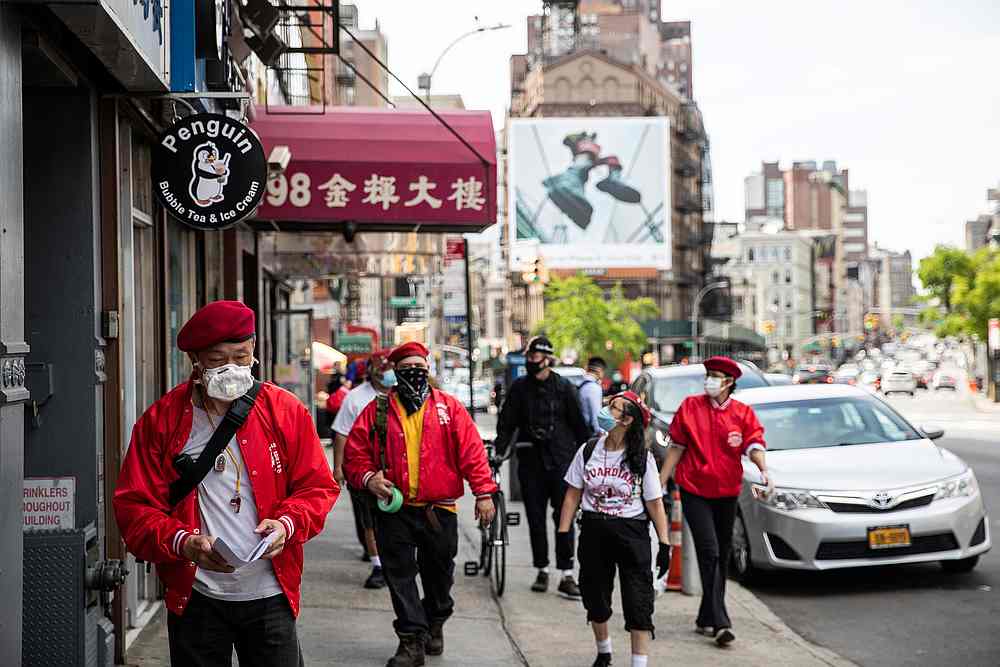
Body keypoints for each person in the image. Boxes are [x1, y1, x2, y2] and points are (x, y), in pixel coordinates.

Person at [113, 300, 339, 666]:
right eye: (218, 360)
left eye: (241, 356)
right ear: (196, 363)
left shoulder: (285, 410)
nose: (232, 368)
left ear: (254, 352)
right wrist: (182, 542)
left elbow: (318, 488)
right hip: (195, 595)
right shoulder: (162, 421)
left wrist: (287, 524)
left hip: (271, 594)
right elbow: (133, 507)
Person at [344, 342, 497, 667]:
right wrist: (369, 478)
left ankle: (435, 620)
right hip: (394, 509)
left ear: (428, 372)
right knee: (399, 575)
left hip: (438, 510)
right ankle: (412, 641)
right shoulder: (378, 410)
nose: (415, 374)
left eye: (420, 368)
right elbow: (354, 455)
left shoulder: (450, 408)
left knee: (439, 574)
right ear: (396, 373)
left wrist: (483, 493)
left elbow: (472, 453)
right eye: (407, 368)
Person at [658, 356, 769, 647]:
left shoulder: (742, 413)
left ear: (730, 382)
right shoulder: (690, 407)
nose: (710, 380)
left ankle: (706, 615)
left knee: (721, 552)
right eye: (708, 374)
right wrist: (660, 481)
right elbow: (676, 447)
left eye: (716, 376)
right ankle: (721, 621)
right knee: (709, 552)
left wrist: (764, 469)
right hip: (695, 490)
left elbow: (754, 443)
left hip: (727, 492)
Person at [559, 392, 671, 667]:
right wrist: (563, 535)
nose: (606, 411)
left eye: (615, 408)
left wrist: (665, 544)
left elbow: (655, 505)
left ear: (628, 420)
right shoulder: (588, 450)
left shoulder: (642, 459)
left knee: (638, 603)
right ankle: (604, 651)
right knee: (595, 597)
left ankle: (638, 663)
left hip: (632, 534)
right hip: (594, 532)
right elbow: (573, 495)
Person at [496, 336, 592, 599]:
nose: (530, 362)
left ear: (547, 359)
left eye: (535, 357)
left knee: (564, 518)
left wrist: (587, 460)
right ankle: (542, 569)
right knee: (535, 519)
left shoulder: (564, 388)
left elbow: (580, 427)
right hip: (530, 463)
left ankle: (566, 574)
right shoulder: (519, 388)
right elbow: (506, 424)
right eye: (528, 357)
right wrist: (499, 451)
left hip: (562, 463)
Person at [332, 349, 397, 589]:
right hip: (363, 468)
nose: (387, 374)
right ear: (372, 371)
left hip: (397, 469)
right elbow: (341, 434)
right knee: (369, 521)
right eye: (382, 369)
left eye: (390, 368)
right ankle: (378, 564)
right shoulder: (356, 398)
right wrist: (338, 468)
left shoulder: (402, 396)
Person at [579, 356, 608, 434]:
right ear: (599, 370)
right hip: (589, 434)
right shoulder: (594, 388)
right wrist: (602, 433)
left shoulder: (582, 384)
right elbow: (596, 416)